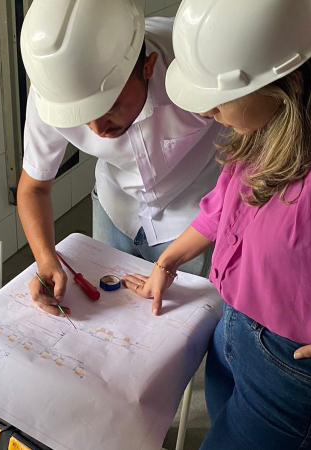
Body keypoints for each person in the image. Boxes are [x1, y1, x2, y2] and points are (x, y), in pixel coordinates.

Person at [122, 0, 311, 448]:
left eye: (218, 100)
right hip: (234, 331)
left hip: (299, 368)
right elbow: (223, 210)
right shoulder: (272, 116)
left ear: (284, 80)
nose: (206, 112)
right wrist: (165, 264)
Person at [18, 0, 224, 316]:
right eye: (81, 118)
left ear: (148, 66)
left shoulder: (201, 66)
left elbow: (250, 164)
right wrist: (47, 261)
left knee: (176, 320)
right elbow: (33, 187)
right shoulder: (55, 92)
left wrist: (171, 262)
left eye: (110, 107)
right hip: (115, 206)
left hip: (191, 215)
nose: (98, 129)